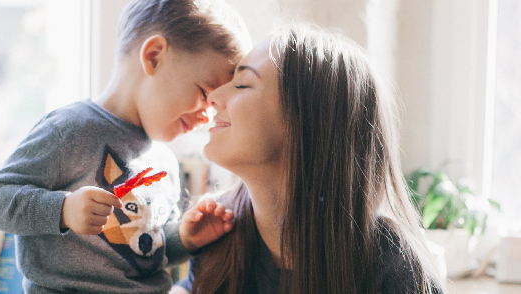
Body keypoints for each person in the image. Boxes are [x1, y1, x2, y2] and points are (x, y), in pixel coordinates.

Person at [0, 0, 251, 293]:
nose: (207, 116)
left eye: (213, 105)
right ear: (154, 56)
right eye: (203, 93)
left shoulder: (164, 161)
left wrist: (186, 238)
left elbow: (148, 256)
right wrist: (63, 210)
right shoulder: (70, 130)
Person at [171, 24, 446, 294]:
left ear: (308, 124)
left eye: (242, 84)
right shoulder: (215, 230)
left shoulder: (397, 273)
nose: (214, 97)